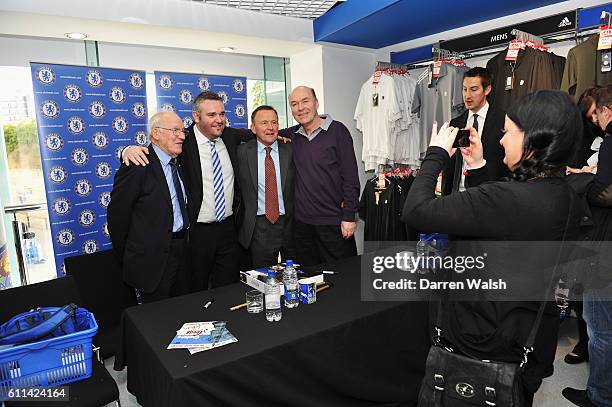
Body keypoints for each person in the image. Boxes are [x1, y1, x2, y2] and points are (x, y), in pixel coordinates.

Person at [402, 90, 583, 405]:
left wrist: (435, 154)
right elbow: (498, 223)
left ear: (532, 140)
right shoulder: (565, 194)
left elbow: (415, 211)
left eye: (508, 132)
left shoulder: (507, 199)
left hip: (482, 342)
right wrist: (481, 166)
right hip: (526, 337)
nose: (501, 141)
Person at [122, 91, 250, 290]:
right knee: (194, 290)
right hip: (197, 233)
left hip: (228, 230)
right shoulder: (181, 142)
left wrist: (284, 136)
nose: (219, 120)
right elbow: (154, 152)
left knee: (228, 288)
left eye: (222, 114)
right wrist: (126, 151)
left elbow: (261, 131)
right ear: (196, 117)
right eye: (211, 115)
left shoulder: (231, 136)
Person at [563, 84, 612, 407]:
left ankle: (599, 396)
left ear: (606, 109)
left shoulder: (610, 142)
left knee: (601, 330)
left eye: (595, 113)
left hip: (604, 244)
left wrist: (582, 180)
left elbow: (604, 194)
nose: (593, 120)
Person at [107, 112, 189, 303]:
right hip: (151, 261)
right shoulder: (137, 165)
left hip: (182, 251)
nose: (182, 136)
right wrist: (130, 257)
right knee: (156, 320)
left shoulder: (179, 160)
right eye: (175, 130)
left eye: (183, 131)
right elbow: (117, 218)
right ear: (156, 133)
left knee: (184, 312)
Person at [281, 86, 360, 266]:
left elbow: (350, 177)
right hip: (302, 226)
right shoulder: (293, 134)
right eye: (294, 104)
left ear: (316, 103)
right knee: (309, 278)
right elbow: (265, 133)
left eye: (305, 101)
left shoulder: (338, 131)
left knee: (343, 277)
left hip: (334, 223)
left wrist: (349, 216)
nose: (300, 108)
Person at [236, 105, 295, 268]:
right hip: (259, 226)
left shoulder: (290, 149)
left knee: (294, 275)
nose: (270, 127)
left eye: (274, 122)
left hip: (290, 224)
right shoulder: (241, 152)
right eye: (264, 123)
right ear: (253, 128)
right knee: (264, 278)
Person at [442, 67, 507, 194]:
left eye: (474, 90)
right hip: (459, 195)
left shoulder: (503, 120)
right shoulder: (456, 123)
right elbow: (450, 166)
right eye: (464, 89)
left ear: (487, 90)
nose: (467, 95)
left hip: (490, 195)